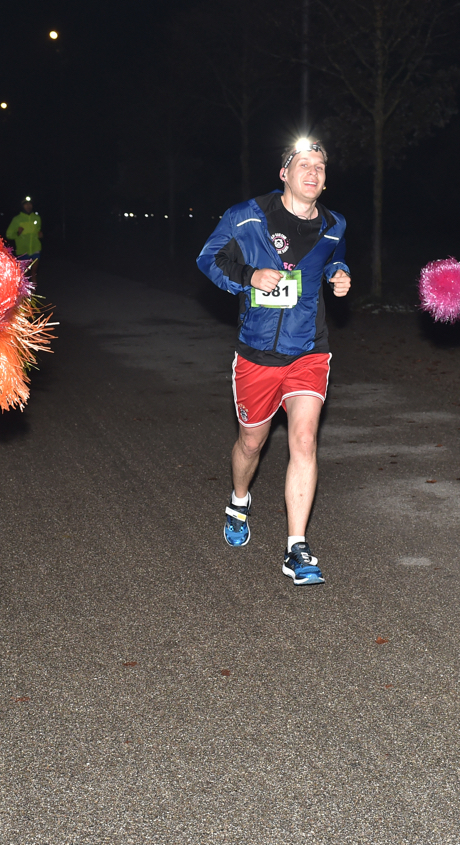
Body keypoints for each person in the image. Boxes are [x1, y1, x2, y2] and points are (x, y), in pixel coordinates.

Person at [196, 138, 350, 586]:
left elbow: (334, 260)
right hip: (257, 354)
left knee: (304, 441)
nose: (313, 173)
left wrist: (341, 276)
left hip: (309, 351)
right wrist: (249, 278)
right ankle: (239, 500)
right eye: (303, 164)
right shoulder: (245, 216)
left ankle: (295, 548)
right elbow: (208, 258)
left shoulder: (336, 224)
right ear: (284, 173)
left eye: (320, 166)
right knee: (251, 444)